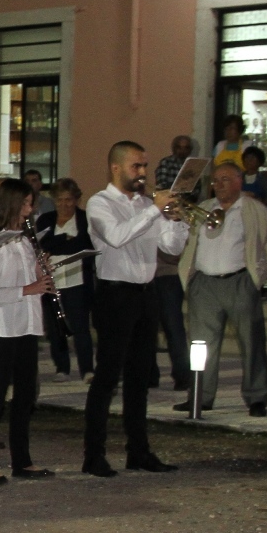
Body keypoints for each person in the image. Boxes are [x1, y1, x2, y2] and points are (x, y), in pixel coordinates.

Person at [85, 141, 188, 477]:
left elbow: (171, 248)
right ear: (116, 168)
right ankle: (93, 454)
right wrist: (155, 211)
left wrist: (178, 220)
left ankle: (138, 451)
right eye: (136, 166)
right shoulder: (99, 204)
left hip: (146, 293)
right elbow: (116, 236)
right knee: (107, 378)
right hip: (115, 296)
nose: (143, 173)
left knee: (139, 378)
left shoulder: (147, 205)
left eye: (145, 166)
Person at [176, 163, 267, 416]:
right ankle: (201, 395)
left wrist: (258, 279)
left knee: (251, 343)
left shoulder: (254, 210)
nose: (218, 184)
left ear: (239, 181)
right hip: (204, 284)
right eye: (215, 180)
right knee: (201, 345)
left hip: (239, 282)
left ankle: (256, 398)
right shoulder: (204, 209)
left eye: (224, 179)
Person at [0, 180, 54, 486]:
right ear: (10, 204)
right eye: (25, 204)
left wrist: (41, 272)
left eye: (30, 204)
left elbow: (29, 280)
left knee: (24, 396)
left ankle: (23, 460)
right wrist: (29, 288)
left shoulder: (24, 240)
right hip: (3, 326)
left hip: (26, 325)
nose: (30, 210)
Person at [37, 179, 97, 384]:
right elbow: (43, 245)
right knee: (55, 328)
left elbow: (85, 244)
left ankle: (87, 369)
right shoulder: (46, 219)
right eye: (60, 200)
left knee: (80, 327)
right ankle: (61, 367)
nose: (64, 205)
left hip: (77, 281)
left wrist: (61, 244)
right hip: (52, 281)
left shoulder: (85, 219)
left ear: (76, 200)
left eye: (69, 200)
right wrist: (66, 240)